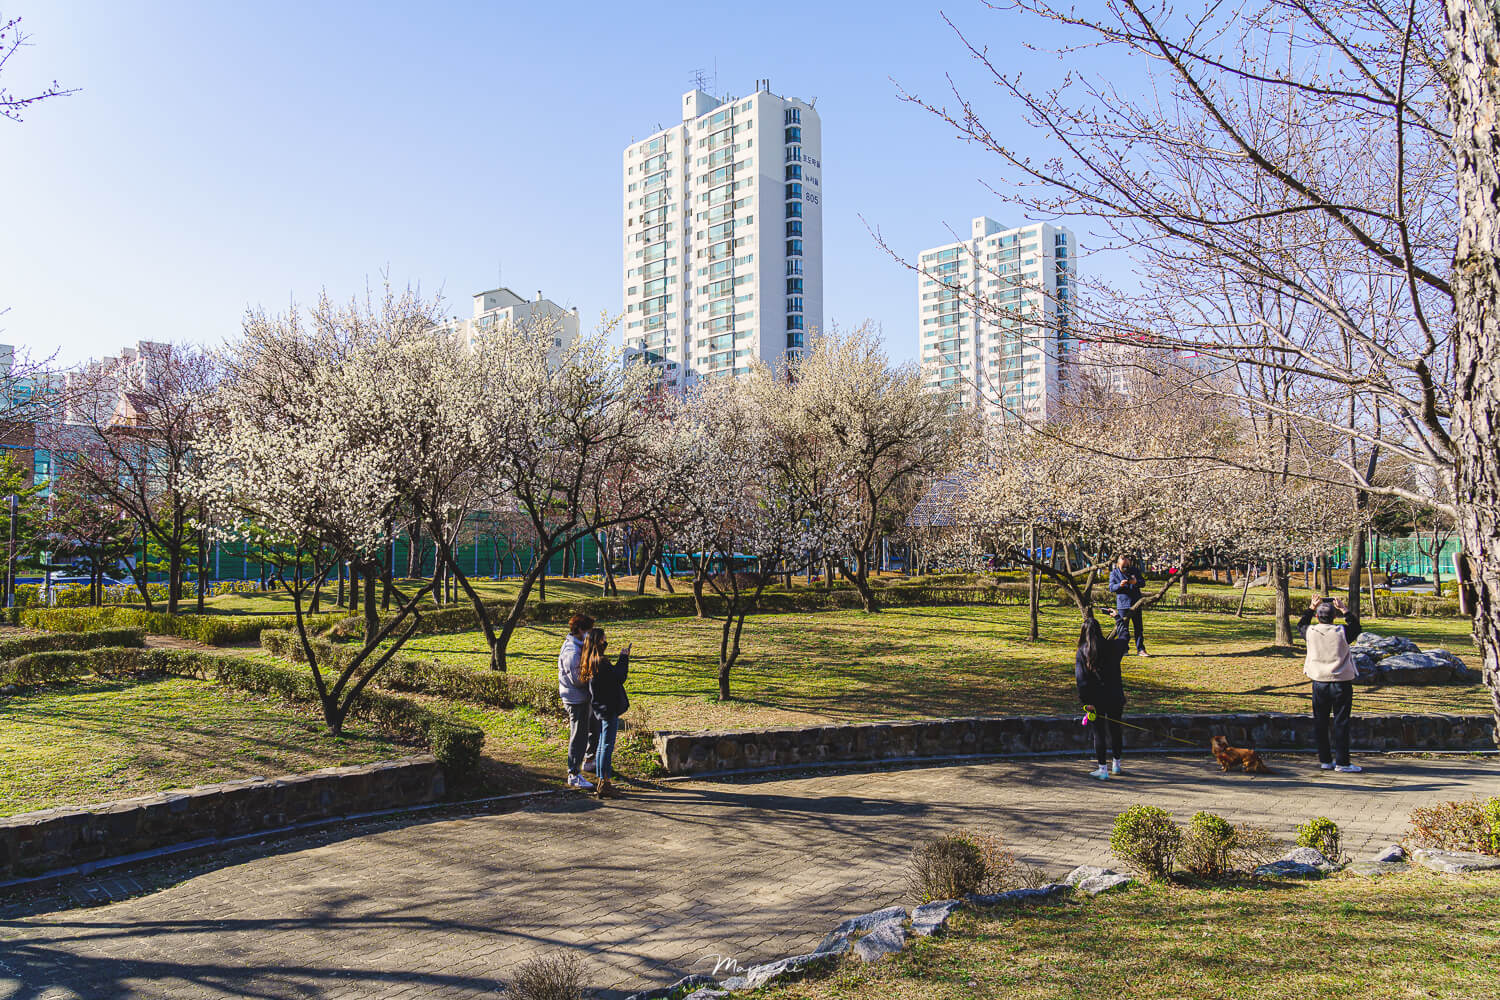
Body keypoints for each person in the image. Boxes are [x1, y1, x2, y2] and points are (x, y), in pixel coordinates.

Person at [1297, 596, 1364, 773]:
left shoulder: (1310, 632)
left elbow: (1300, 625)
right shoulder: (1342, 632)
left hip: (1319, 681)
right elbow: (1356, 628)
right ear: (1334, 617)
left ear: (1318, 617)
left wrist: (1311, 607)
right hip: (1341, 681)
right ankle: (1342, 762)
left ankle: (1325, 760)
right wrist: (1345, 609)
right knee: (1341, 722)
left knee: (1321, 722)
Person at [1076, 609, 1129, 780]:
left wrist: (1086, 701)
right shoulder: (1113, 647)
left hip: (1095, 700)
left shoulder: (1083, 652)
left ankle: (1102, 769)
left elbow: (1081, 680)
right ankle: (1117, 764)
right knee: (1115, 730)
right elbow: (1125, 637)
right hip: (1115, 697)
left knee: (1098, 732)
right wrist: (1118, 619)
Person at [581, 627, 631, 798]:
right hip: (609, 708)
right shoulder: (602, 662)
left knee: (602, 745)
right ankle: (604, 783)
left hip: (599, 708)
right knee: (607, 746)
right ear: (598, 642)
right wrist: (624, 657)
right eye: (604, 639)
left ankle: (603, 781)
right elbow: (619, 677)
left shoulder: (589, 660)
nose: (606, 641)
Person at [558, 613, 599, 790]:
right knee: (579, 736)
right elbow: (578, 680)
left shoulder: (580, 646)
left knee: (593, 728)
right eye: (589, 630)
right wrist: (595, 674)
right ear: (581, 630)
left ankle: (589, 760)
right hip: (576, 699)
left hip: (583, 697)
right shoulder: (572, 652)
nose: (590, 633)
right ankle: (573, 773)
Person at [1108, 555, 1149, 656]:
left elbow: (1143, 583)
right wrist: (1120, 585)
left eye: (1127, 565)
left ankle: (1140, 649)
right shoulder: (1114, 573)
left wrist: (1136, 582)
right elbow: (1111, 587)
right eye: (1123, 566)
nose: (1126, 567)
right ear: (1118, 564)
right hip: (1122, 604)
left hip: (1136, 603)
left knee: (1138, 628)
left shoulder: (1134, 570)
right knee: (1123, 628)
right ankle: (1123, 649)